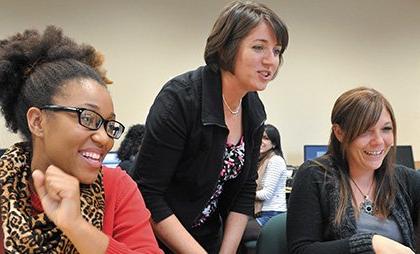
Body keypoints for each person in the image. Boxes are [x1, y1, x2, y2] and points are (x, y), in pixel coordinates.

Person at [132, 1, 288, 253]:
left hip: (208, 237)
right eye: (259, 47)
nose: (271, 61)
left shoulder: (253, 107)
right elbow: (148, 194)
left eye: (277, 51)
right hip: (159, 240)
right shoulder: (181, 99)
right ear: (227, 46)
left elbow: (245, 189)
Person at [0, 26, 162, 254]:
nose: (105, 138)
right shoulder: (5, 187)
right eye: (87, 117)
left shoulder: (117, 187)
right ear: (38, 121)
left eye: (109, 125)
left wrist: (77, 227)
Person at [287, 87, 420, 254]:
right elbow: (301, 250)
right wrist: (371, 243)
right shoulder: (314, 175)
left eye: (386, 129)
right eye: (365, 131)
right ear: (339, 132)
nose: (378, 141)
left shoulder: (407, 180)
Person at [255, 124, 288, 226]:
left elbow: (266, 194)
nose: (261, 141)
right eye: (259, 137)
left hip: (272, 215)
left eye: (265, 138)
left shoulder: (275, 161)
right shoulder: (260, 161)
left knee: (236, 231)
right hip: (262, 213)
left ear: (274, 144)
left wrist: (244, 194)